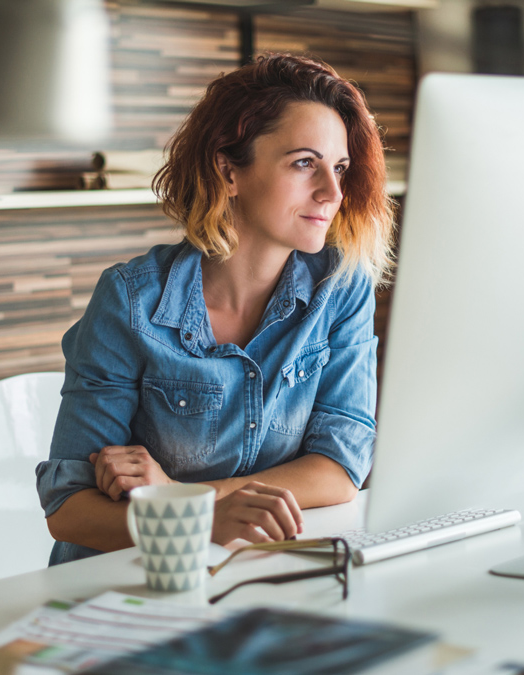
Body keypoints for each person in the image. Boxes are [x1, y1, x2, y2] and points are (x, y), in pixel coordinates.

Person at [35, 53, 396, 565]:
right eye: (303, 163)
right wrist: (202, 524)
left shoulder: (341, 286)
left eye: (339, 168)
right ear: (228, 170)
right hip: (126, 584)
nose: (332, 192)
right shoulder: (130, 300)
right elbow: (68, 508)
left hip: (254, 572)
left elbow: (339, 471)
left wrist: (185, 497)